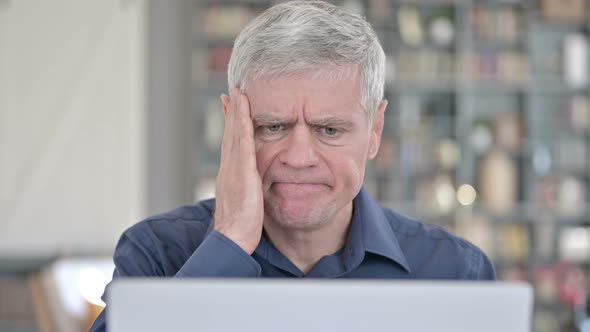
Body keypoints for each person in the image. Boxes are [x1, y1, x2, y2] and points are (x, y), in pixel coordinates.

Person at [89, 1, 495, 330]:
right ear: (234, 125)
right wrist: (228, 244)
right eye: (272, 126)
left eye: (330, 130)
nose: (299, 158)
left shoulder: (457, 272)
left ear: (375, 130)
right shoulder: (156, 256)